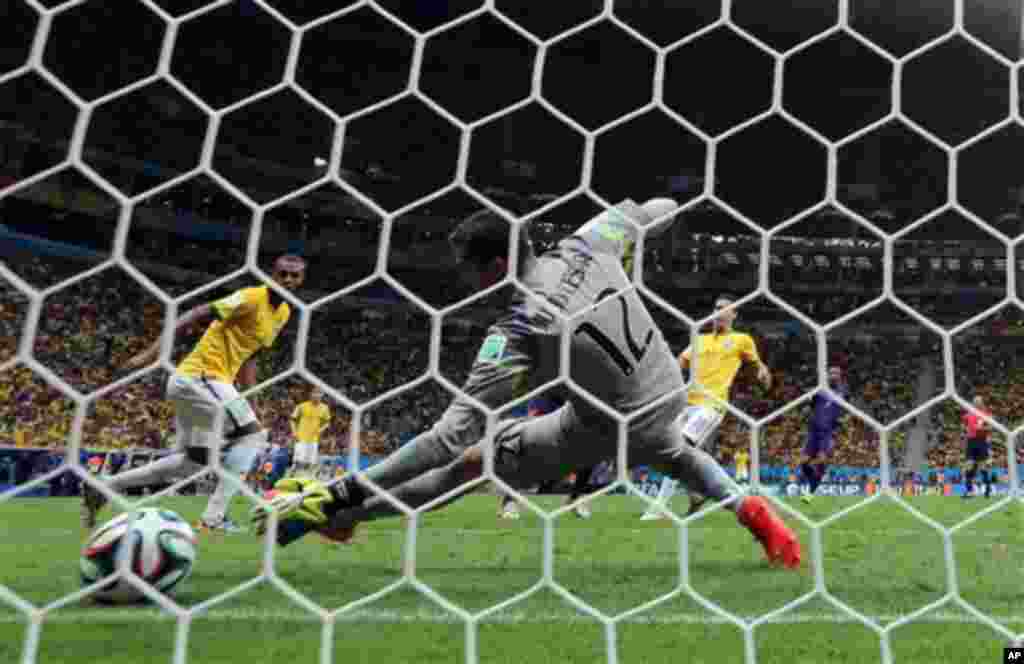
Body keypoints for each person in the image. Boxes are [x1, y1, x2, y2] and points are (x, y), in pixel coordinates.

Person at [254, 200, 801, 569]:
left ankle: (337, 512)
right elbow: (648, 210)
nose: (463, 279)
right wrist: (671, 206)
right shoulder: (588, 244)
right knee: (672, 452)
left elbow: (444, 439)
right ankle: (752, 511)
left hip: (605, 427)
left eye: (466, 268)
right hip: (666, 399)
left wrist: (344, 484)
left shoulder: (517, 328)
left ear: (493, 266)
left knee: (468, 463)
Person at [81, 255, 306, 533]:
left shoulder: (282, 314)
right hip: (201, 377)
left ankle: (105, 486)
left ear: (301, 280)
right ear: (272, 274)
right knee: (254, 436)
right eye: (282, 274)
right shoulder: (250, 297)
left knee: (192, 464)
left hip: (203, 386)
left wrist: (252, 399)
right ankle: (214, 518)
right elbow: (197, 312)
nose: (287, 280)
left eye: (294, 276)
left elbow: (251, 357)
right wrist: (151, 354)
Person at [640, 296, 772, 520]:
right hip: (686, 403)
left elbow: (758, 368)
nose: (719, 312)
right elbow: (679, 363)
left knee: (678, 447)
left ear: (733, 315)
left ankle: (659, 507)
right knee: (675, 453)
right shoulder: (699, 340)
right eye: (716, 308)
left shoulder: (741, 340)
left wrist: (763, 376)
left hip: (712, 405)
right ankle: (698, 494)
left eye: (724, 309)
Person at [497, 394, 596, 520]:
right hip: (548, 402)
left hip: (572, 404)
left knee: (591, 448)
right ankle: (510, 500)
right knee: (523, 442)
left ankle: (575, 498)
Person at [798, 366, 848, 504]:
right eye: (831, 373)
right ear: (827, 375)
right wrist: (807, 407)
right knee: (803, 462)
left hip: (826, 432)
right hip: (813, 430)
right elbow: (810, 405)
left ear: (840, 376)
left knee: (821, 460)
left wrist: (839, 422)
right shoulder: (819, 391)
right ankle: (813, 480)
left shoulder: (842, 391)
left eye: (836, 374)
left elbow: (840, 408)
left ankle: (810, 493)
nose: (833, 376)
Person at [290, 387, 331, 477]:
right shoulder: (301, 406)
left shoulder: (325, 408)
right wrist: (294, 432)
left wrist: (321, 429)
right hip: (301, 438)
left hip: (314, 440)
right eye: (314, 393)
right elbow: (292, 420)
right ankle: (292, 477)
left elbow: (327, 422)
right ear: (310, 394)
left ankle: (306, 481)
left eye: (319, 394)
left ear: (322, 396)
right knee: (298, 462)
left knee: (310, 464)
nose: (317, 395)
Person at [962, 395, 993, 499]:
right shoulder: (968, 415)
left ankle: (988, 489)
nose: (976, 403)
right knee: (969, 466)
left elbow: (991, 427)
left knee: (983, 467)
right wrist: (966, 431)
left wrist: (982, 428)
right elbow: (964, 425)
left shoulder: (986, 414)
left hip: (981, 441)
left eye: (978, 401)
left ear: (981, 403)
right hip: (971, 442)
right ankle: (969, 491)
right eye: (974, 401)